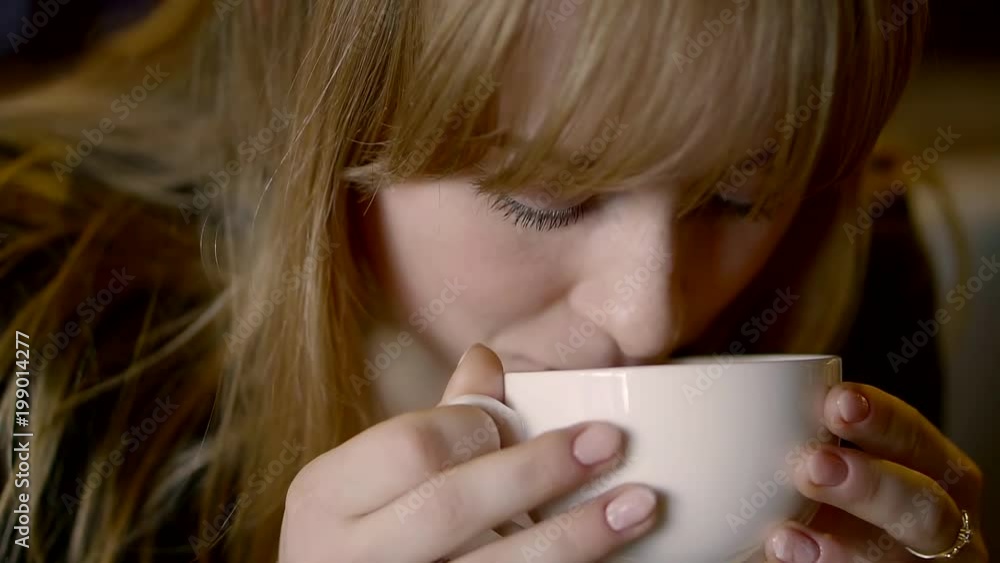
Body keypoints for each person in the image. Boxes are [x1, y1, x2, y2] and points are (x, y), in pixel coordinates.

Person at [0, 1, 986, 562]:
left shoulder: (846, 260)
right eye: (550, 199)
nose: (649, 315)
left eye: (740, 196)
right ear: (331, 127)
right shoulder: (44, 338)